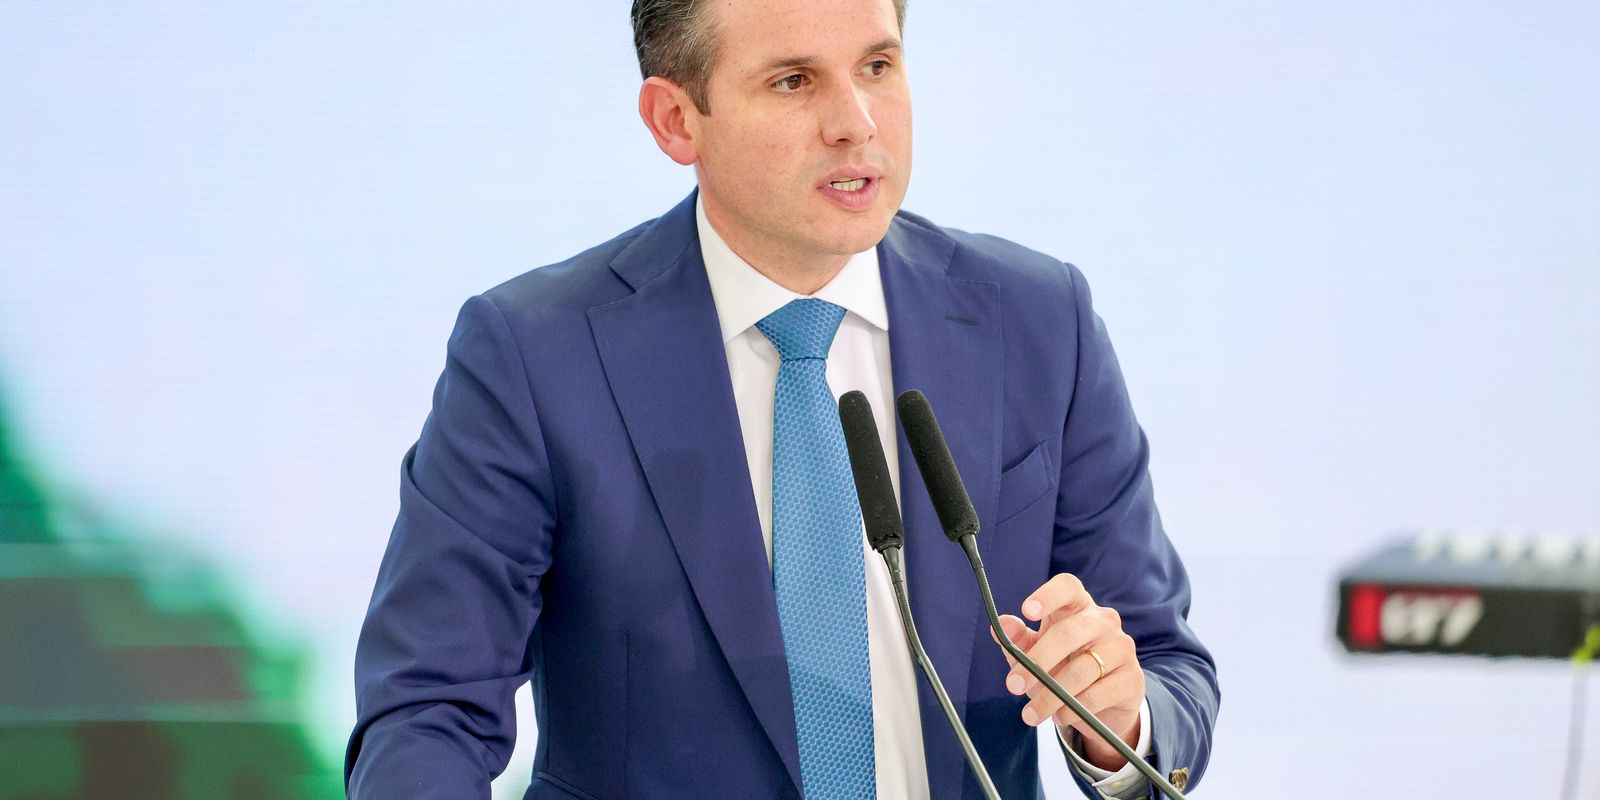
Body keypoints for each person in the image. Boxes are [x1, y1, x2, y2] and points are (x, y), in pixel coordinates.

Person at [345, 0, 1219, 797]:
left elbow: (1165, 666)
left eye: (877, 66)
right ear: (675, 120)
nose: (856, 122)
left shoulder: (1036, 321)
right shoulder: (535, 355)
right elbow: (427, 710)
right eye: (794, 81)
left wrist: (1118, 720)